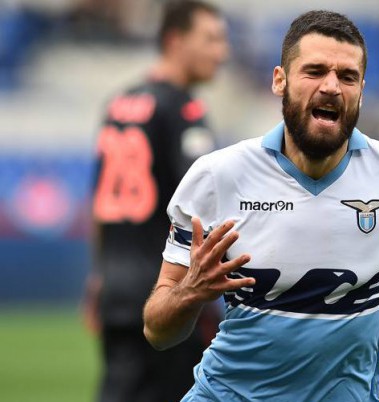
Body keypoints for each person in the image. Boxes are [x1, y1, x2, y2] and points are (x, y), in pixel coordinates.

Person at [143, 10, 379, 402]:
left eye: (347, 76)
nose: (331, 86)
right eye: (314, 71)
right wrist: (190, 292)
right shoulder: (217, 177)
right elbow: (157, 332)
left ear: (362, 90)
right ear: (279, 80)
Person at [83, 2, 229, 402]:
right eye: (211, 39)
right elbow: (205, 199)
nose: (222, 52)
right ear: (175, 41)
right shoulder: (183, 109)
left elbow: (99, 204)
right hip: (165, 293)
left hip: (116, 288)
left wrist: (99, 275)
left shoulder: (119, 103)